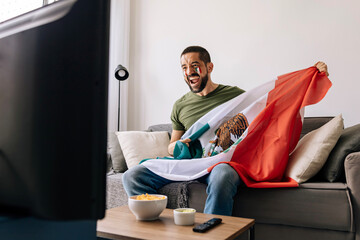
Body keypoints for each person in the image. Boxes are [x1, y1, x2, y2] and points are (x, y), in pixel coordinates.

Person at [123, 46, 329, 216]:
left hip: (220, 162)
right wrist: (178, 146)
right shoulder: (180, 105)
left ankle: (213, 233)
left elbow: (271, 107)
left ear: (209, 67)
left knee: (222, 174)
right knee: (132, 176)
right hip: (188, 163)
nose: (189, 72)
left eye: (195, 66)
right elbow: (171, 147)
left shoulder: (235, 97)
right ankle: (164, 228)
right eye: (184, 67)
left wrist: (309, 77)